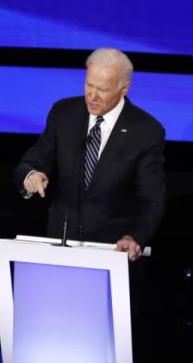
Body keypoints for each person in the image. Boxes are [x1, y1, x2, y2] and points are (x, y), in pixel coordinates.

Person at [14, 48, 166, 260]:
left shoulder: (146, 131)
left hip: (111, 251)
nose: (92, 96)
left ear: (124, 89)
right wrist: (30, 176)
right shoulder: (64, 113)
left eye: (103, 89)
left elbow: (152, 200)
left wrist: (135, 237)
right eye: (89, 85)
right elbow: (31, 163)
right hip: (60, 244)